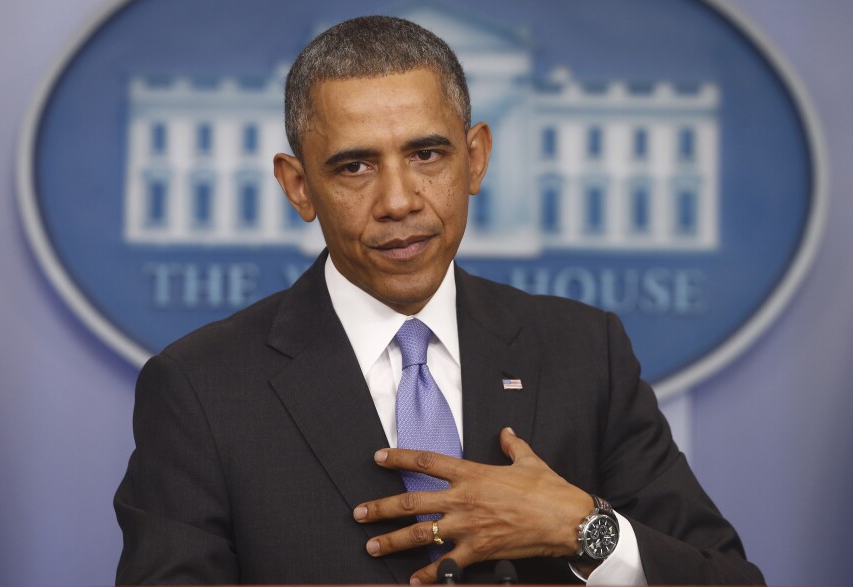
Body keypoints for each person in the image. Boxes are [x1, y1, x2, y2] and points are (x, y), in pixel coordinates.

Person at [114, 15, 764, 586]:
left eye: (427, 153)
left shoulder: (584, 352)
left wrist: (582, 526)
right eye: (354, 166)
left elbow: (729, 577)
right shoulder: (200, 386)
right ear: (298, 185)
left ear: (475, 159)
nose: (398, 200)